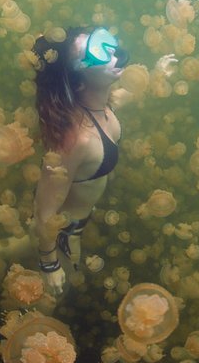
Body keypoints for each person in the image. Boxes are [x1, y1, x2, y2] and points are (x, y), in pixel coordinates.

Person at [31, 26, 129, 295]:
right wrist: (49, 265)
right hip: (66, 235)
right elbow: (43, 212)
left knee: (17, 246)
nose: (112, 55)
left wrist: (160, 75)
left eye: (106, 44)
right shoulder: (77, 140)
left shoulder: (104, 105)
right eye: (98, 54)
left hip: (76, 221)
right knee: (56, 297)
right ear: (79, 79)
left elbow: (130, 95)